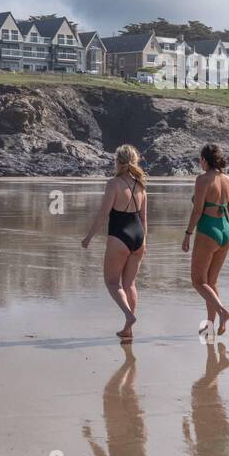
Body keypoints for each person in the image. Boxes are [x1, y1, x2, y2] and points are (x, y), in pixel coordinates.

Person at [82, 144, 148, 340]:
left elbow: (103, 215)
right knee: (130, 284)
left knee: (111, 282)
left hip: (119, 236)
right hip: (139, 236)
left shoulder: (114, 184)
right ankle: (128, 329)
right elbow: (144, 219)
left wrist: (88, 237)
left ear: (117, 161)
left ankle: (128, 315)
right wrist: (145, 242)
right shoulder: (141, 185)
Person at [182, 143, 229, 337]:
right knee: (211, 281)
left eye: (200, 159)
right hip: (226, 231)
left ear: (204, 160)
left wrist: (188, 234)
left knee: (198, 282)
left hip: (208, 229)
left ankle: (223, 312)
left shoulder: (203, 179)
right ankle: (210, 326)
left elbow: (197, 210)